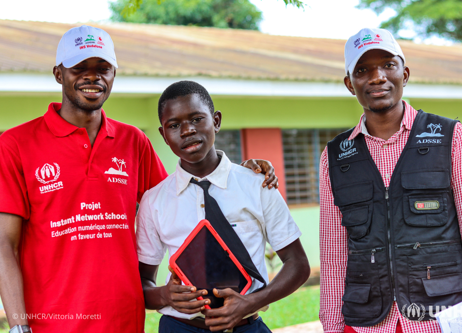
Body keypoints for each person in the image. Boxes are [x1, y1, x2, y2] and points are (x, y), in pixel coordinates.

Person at [0, 26, 277, 333]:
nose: (93, 77)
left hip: (124, 319)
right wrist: (18, 326)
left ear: (114, 74)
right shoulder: (16, 144)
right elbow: (4, 244)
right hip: (52, 322)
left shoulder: (133, 141)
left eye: (103, 68)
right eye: (80, 68)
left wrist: (241, 174)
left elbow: (182, 199)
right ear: (58, 74)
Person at [319, 28, 462, 333]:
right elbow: (334, 254)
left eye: (388, 65)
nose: (377, 77)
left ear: (405, 73)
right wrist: (333, 325)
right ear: (350, 84)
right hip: (366, 323)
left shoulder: (450, 137)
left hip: (443, 319)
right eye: (363, 70)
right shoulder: (335, 156)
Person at [136, 80, 311, 333]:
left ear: (216, 121)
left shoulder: (257, 185)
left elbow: (298, 264)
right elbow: (142, 284)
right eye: (174, 125)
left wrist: (250, 302)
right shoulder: (154, 201)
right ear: (164, 135)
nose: (187, 130)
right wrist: (165, 296)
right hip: (180, 327)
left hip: (246, 325)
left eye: (197, 119)